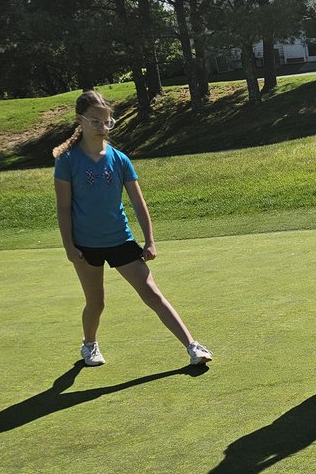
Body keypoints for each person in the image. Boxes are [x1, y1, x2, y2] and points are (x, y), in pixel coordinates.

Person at [53, 90, 212, 368]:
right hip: (86, 244)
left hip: (120, 240)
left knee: (152, 293)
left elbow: (139, 203)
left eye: (107, 122)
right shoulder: (67, 161)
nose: (102, 128)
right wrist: (68, 245)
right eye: (95, 122)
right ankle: (89, 345)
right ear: (80, 120)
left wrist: (150, 240)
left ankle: (192, 346)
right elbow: (64, 208)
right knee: (96, 302)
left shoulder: (120, 159)